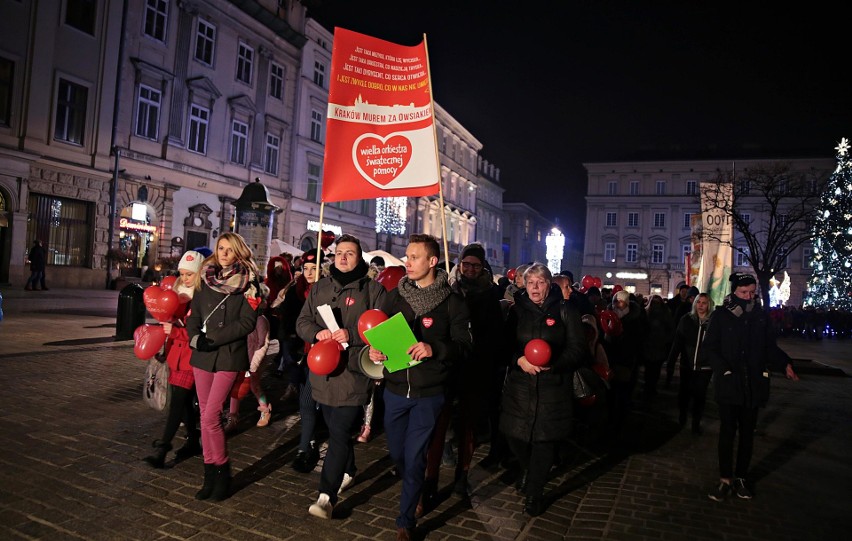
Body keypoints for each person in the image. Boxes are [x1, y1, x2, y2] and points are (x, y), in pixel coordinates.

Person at [366, 234, 471, 541]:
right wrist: (374, 352)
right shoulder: (394, 296)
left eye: (414, 257)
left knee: (414, 458)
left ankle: (405, 521)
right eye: (407, 256)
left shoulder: (452, 301)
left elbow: (465, 346)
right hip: (396, 390)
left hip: (430, 393)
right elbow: (378, 336)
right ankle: (418, 483)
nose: (407, 262)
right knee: (398, 454)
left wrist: (434, 348)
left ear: (432, 262)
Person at [296, 235, 386, 519]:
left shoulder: (373, 290)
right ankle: (350, 469)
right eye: (339, 253)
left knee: (339, 432)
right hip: (323, 372)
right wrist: (316, 333)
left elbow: (382, 331)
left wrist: (354, 335)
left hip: (354, 372)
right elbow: (302, 321)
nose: (343, 257)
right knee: (335, 426)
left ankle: (326, 496)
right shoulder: (320, 287)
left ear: (360, 258)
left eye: (350, 253)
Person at [498, 263, 587, 517]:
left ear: (550, 285)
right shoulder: (516, 312)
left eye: (540, 282)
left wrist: (554, 364)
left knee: (544, 440)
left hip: (552, 388)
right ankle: (529, 469)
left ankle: (534, 493)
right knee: (515, 435)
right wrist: (519, 360)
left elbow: (578, 349)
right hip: (520, 387)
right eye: (530, 282)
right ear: (524, 285)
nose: (535, 287)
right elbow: (504, 346)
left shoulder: (565, 309)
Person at [702, 272, 799, 502]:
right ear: (735, 291)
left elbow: (768, 346)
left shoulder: (760, 316)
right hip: (729, 383)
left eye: (752, 293)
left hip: (753, 384)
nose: (749, 297)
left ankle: (742, 478)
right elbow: (710, 348)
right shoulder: (721, 315)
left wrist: (785, 363)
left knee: (747, 434)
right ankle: (725, 479)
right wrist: (723, 370)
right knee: (727, 432)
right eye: (744, 292)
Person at [423, 243, 504, 498]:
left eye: (475, 265)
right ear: (459, 264)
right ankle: (430, 481)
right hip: (449, 364)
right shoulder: (448, 289)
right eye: (466, 264)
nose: (470, 269)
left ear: (482, 268)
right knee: (440, 424)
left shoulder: (490, 294)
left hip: (477, 367)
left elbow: (494, 334)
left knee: (468, 425)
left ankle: (462, 477)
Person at [187, 233, 262, 501]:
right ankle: (209, 474)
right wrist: (195, 338)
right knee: (205, 416)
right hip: (203, 355)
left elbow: (247, 323)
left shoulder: (249, 285)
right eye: (221, 248)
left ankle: (222, 469)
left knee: (210, 417)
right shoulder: (205, 278)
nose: (224, 253)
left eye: (230, 250)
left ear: (239, 253)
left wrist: (213, 339)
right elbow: (194, 314)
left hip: (229, 355)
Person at [143, 250, 204, 468]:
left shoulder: (201, 297)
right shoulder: (176, 292)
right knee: (185, 402)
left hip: (190, 358)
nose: (185, 278)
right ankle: (194, 440)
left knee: (177, 402)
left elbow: (199, 333)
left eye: (190, 274)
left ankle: (163, 447)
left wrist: (175, 331)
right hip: (175, 357)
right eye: (182, 273)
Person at [285, 250, 324, 473]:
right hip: (301, 354)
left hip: (320, 354)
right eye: (305, 269)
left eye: (313, 269)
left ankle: (304, 447)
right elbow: (289, 322)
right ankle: (308, 442)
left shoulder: (326, 292)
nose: (308, 273)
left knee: (310, 401)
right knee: (305, 402)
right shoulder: (296, 292)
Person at [223, 285, 273, 431]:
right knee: (235, 386)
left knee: (254, 386)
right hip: (240, 358)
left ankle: (265, 409)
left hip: (252, 361)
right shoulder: (244, 318)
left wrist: (254, 364)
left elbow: (263, 343)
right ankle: (233, 415)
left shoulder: (260, 320)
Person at [666, 292, 715, 434]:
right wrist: (671, 361)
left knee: (700, 395)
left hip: (705, 366)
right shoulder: (686, 320)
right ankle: (682, 416)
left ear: (708, 305)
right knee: (684, 393)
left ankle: (696, 422)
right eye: (699, 302)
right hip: (687, 364)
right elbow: (678, 342)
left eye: (704, 303)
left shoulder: (712, 322)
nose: (701, 305)